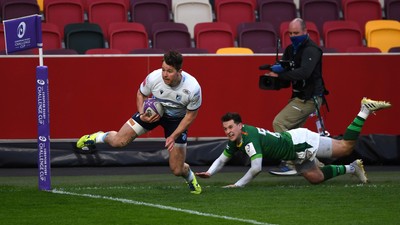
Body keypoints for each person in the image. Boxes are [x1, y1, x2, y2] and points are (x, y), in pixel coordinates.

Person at [76, 50, 203, 194]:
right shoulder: (154, 78)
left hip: (177, 121)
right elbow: (141, 93)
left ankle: (190, 177)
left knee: (177, 169)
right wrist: (142, 113)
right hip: (153, 112)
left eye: (169, 71)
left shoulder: (193, 88)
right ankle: (97, 137)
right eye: (163, 69)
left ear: (179, 71)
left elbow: (190, 116)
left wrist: (173, 136)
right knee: (119, 141)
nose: (165, 74)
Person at [195, 98, 391, 187]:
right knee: (315, 178)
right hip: (293, 152)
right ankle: (352, 168)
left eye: (231, 127)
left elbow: (256, 168)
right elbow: (221, 159)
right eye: (225, 129)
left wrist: (237, 185)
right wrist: (210, 173)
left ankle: (364, 110)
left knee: (345, 147)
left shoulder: (248, 137)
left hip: (300, 142)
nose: (228, 131)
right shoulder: (236, 139)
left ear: (240, 126)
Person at [267, 18, 328, 176]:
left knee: (279, 123)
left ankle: (290, 163)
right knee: (295, 133)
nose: (293, 36)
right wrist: (274, 75)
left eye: (297, 33)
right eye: (291, 33)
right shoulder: (290, 50)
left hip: (310, 98)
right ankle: (318, 166)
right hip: (298, 97)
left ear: (305, 32)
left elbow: (304, 73)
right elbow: (288, 78)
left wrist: (281, 74)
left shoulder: (312, 50)